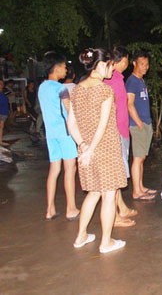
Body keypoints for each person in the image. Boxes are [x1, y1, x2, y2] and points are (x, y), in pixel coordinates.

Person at [68, 48, 127, 254]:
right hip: (105, 150)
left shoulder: (76, 90)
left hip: (86, 151)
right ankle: (106, 242)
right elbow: (103, 126)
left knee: (93, 193)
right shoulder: (104, 90)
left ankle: (81, 236)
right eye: (110, 64)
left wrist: (82, 146)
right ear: (101, 65)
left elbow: (71, 124)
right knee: (109, 196)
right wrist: (91, 149)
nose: (112, 68)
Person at [38, 52, 80, 221]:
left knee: (54, 170)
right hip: (64, 133)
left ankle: (50, 209)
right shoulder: (60, 88)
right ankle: (71, 208)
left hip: (51, 135)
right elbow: (70, 112)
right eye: (63, 66)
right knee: (70, 169)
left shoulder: (42, 87)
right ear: (56, 68)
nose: (66, 70)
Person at [104, 46, 138, 227]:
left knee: (118, 175)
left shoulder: (117, 78)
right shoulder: (111, 80)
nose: (126, 63)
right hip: (116, 132)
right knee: (116, 175)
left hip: (122, 130)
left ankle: (121, 208)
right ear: (121, 60)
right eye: (126, 60)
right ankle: (115, 217)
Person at [126, 50, 156, 201]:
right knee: (137, 158)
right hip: (139, 124)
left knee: (142, 157)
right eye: (142, 64)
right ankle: (136, 192)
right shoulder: (132, 81)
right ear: (134, 63)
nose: (145, 67)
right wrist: (139, 123)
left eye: (147, 64)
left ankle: (141, 186)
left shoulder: (141, 81)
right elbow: (129, 103)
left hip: (145, 123)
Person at [0, 80, 9, 147]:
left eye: (2, 84)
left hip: (4, 112)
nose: (1, 85)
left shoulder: (3, 93)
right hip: (1, 112)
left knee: (1, 127)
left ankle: (0, 141)